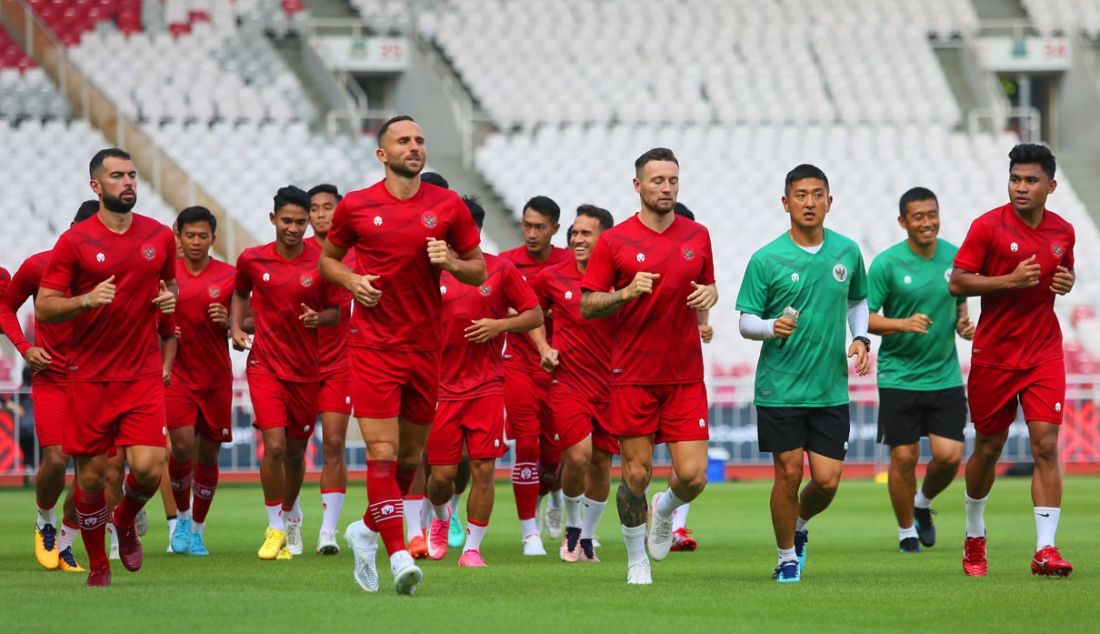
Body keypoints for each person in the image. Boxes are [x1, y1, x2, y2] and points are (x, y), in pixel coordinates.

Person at [320, 115, 485, 595]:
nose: (414, 147)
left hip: (424, 348)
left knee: (410, 461)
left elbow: (477, 270)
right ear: (382, 154)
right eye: (403, 141)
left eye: (419, 140)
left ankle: (366, 532)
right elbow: (328, 260)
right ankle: (396, 556)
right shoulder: (356, 206)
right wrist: (351, 281)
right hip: (372, 347)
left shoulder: (449, 206)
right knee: (383, 452)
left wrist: (450, 262)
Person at [35, 148, 179, 587]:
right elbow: (44, 307)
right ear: (96, 186)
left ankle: (126, 517)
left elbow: (168, 285)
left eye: (132, 174)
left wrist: (169, 302)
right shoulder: (74, 243)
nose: (128, 182)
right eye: (117, 176)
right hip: (89, 376)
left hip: (140, 373)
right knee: (92, 477)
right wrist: (85, 300)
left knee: (151, 467)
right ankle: (98, 565)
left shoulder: (159, 236)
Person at [580, 147, 717, 585]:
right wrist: (624, 293)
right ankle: (636, 558)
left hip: (684, 375)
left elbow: (708, 287)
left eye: (673, 180)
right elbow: (587, 304)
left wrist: (709, 298)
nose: (666, 188)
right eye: (657, 180)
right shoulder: (614, 241)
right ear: (637, 185)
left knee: (694, 477)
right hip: (633, 375)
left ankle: (665, 509)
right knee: (636, 473)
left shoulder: (698, 235)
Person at [735, 163, 870, 584]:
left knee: (827, 482)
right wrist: (770, 327)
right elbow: (744, 321)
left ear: (829, 201)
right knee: (788, 472)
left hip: (830, 387)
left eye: (817, 194)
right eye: (800, 195)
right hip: (780, 387)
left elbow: (856, 302)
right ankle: (785, 558)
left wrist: (861, 338)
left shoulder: (847, 251)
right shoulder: (766, 258)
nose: (809, 202)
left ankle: (798, 524)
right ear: (785, 202)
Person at [949, 144, 1076, 577]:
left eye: (1031, 180)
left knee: (1045, 445)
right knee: (988, 448)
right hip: (995, 352)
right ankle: (974, 532)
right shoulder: (986, 227)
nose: (1021, 187)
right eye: (1015, 179)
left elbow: (1062, 274)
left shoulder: (1063, 232)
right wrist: (1009, 280)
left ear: (1051, 186)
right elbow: (958, 283)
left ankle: (1045, 548)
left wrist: (1067, 281)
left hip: (1043, 351)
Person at [425, 196, 543, 566]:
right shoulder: (430, 272)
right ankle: (442, 517)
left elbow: (534, 314)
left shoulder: (501, 270)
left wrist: (500, 325)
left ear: (473, 231)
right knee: (442, 477)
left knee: (484, 469)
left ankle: (473, 549)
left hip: (488, 385)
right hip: (441, 387)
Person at [231, 186, 341, 561]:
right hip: (265, 365)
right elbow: (239, 293)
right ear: (273, 219)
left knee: (295, 454)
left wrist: (317, 318)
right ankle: (275, 525)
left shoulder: (323, 259)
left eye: (301, 221)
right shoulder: (252, 259)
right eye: (287, 221)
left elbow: (336, 312)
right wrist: (235, 328)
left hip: (306, 370)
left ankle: (292, 514)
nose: (294, 228)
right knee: (274, 446)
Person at [868, 187, 973, 553]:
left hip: (944, 374)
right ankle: (905, 532)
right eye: (918, 216)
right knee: (904, 458)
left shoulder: (955, 257)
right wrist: (902, 324)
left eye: (932, 214)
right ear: (903, 222)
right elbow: (862, 317)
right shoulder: (887, 264)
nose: (927, 222)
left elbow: (961, 303)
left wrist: (963, 324)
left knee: (948, 456)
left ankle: (922, 504)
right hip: (898, 375)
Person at [0, 200, 99, 573]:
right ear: (72, 228)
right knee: (57, 460)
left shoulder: (114, 271)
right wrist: (26, 349)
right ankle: (45, 520)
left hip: (97, 381)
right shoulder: (40, 265)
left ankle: (66, 543)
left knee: (94, 472)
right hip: (54, 379)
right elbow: (6, 308)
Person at [530, 204, 618, 563]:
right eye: (574, 233)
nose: (577, 239)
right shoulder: (552, 276)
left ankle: (589, 538)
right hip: (569, 383)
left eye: (586, 233)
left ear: (605, 239)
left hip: (612, 386)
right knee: (577, 457)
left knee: (601, 464)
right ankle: (573, 527)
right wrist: (543, 345)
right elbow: (530, 311)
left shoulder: (621, 279)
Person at [500, 195, 574, 551]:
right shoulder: (506, 264)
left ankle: (556, 495)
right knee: (526, 445)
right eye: (526, 225)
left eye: (539, 227)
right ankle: (529, 532)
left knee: (553, 458)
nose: (531, 233)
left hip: (562, 368)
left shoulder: (569, 263)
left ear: (555, 229)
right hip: (519, 365)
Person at [163, 206, 236, 557]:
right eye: (189, 235)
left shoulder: (228, 276)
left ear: (212, 238)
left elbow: (246, 321)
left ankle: (197, 531)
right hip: (177, 375)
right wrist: (159, 328)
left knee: (208, 455)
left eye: (202, 235)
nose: (195, 241)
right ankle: (180, 517)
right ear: (178, 235)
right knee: (180, 446)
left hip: (216, 378)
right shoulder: (164, 277)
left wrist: (229, 321)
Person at [308, 183, 355, 555]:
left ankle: (328, 531)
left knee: (335, 443)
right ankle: (286, 521)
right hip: (295, 364)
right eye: (315, 208)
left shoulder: (359, 255)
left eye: (328, 207)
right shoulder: (295, 253)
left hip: (343, 362)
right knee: (288, 449)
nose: (321, 214)